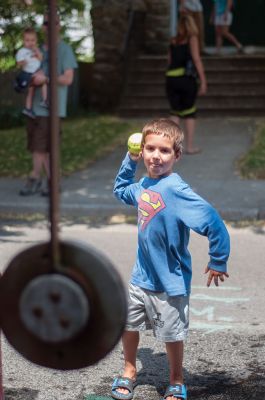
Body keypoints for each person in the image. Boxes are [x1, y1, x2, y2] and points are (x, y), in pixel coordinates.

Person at [112, 118, 230, 400]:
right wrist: (130, 158)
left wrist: (218, 260)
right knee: (128, 324)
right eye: (149, 148)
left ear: (177, 155)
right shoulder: (142, 187)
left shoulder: (177, 191)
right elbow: (120, 189)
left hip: (171, 282)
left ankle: (176, 379)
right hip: (141, 277)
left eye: (164, 150)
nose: (155, 156)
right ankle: (129, 370)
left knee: (171, 334)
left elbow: (213, 222)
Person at [19, 13, 77, 196]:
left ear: (59, 25)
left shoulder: (64, 49)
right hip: (33, 108)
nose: (49, 26)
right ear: (43, 27)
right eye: (46, 23)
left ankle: (48, 182)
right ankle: (38, 179)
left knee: (47, 148)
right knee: (36, 146)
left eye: (53, 22)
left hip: (52, 109)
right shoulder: (34, 49)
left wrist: (46, 78)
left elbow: (68, 79)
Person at [166, 13, 207, 155]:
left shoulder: (173, 40)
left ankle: (172, 148)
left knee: (175, 112)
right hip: (186, 79)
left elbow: (169, 61)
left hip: (171, 79)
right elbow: (196, 59)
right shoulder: (192, 39)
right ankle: (189, 147)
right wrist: (203, 80)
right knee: (189, 112)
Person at [15, 27, 48, 119]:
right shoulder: (22, 51)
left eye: (33, 40)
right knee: (44, 80)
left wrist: (37, 51)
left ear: (36, 40)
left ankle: (29, 108)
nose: (30, 42)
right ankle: (43, 100)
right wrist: (24, 62)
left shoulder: (35, 50)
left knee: (32, 91)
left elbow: (41, 59)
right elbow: (19, 63)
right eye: (27, 40)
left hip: (35, 72)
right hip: (27, 73)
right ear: (23, 41)